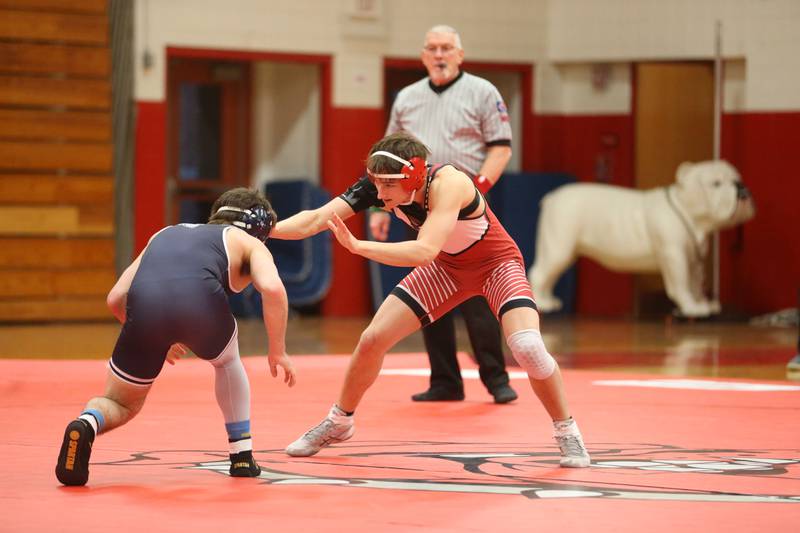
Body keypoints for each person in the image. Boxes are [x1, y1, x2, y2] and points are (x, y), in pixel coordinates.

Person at [272, 132, 590, 467]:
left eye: (387, 187)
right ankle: (339, 423)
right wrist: (264, 230)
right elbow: (316, 219)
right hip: (448, 269)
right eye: (376, 185)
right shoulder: (381, 186)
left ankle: (567, 431)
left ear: (414, 175)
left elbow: (424, 251)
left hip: (496, 265)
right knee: (372, 339)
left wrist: (359, 247)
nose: (379, 196)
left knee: (527, 346)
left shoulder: (449, 183)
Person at [55, 188, 296, 486]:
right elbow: (273, 290)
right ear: (260, 229)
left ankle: (87, 423)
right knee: (228, 360)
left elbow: (116, 297)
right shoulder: (249, 243)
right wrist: (278, 350)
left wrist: (157, 334)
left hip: (144, 310)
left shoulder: (164, 233)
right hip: (202, 307)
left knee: (121, 403)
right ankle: (241, 455)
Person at [371, 24, 517, 404]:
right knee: (429, 288)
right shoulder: (407, 97)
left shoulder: (483, 92)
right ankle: (445, 380)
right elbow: (387, 155)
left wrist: (478, 188)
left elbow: (501, 148)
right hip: (416, 205)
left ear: (460, 55)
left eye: (447, 48)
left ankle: (496, 378)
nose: (439, 55)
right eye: (432, 48)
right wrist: (379, 206)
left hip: (467, 206)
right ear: (423, 56)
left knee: (478, 294)